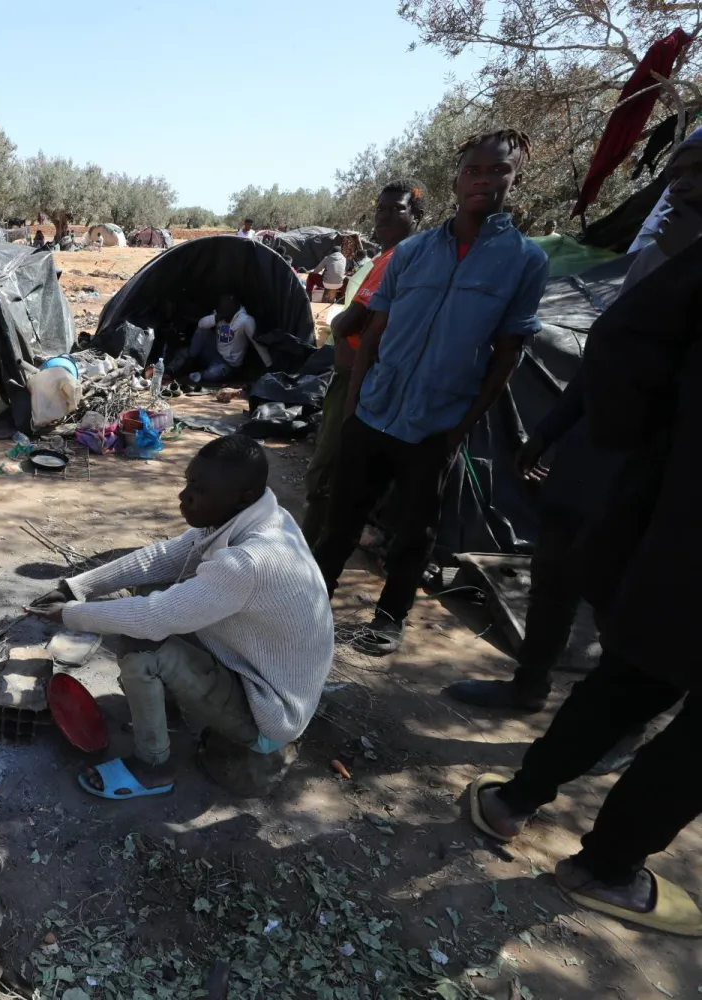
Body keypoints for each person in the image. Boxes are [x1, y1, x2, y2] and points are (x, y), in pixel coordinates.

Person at [465, 229, 702, 938]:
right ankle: (605, 867)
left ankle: (514, 801)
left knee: (631, 677)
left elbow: (626, 339)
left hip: (682, 528)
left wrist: (656, 454)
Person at [447, 126, 702, 712]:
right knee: (554, 573)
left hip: (656, 478)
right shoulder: (651, 260)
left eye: (700, 174)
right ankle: (529, 685)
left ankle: (617, 722)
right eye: (679, 172)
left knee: (625, 600)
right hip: (592, 456)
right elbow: (606, 356)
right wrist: (547, 432)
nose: (684, 187)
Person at [313, 129, 549, 656]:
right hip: (374, 413)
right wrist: (353, 411)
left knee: (415, 534)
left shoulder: (524, 261)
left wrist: (459, 431)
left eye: (498, 170)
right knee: (340, 523)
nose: (484, 179)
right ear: (458, 178)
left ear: (514, 177)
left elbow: (506, 356)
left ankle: (389, 619)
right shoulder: (413, 253)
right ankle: (309, 607)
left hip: (436, 424)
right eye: (474, 170)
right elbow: (373, 333)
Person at [28, 436, 333, 798]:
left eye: (199, 490)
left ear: (242, 494)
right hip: (259, 671)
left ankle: (153, 767)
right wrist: (76, 586)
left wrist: (70, 615)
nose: (184, 496)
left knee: (143, 648)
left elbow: (151, 619)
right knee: (148, 593)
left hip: (271, 713)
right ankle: (168, 712)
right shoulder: (254, 517)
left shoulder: (248, 562)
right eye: (188, 482)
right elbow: (162, 558)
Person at [300, 180, 426, 546]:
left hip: (359, 375)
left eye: (397, 209)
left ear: (417, 215)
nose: (384, 216)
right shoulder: (390, 257)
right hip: (361, 372)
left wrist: (338, 324)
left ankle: (311, 555)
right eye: (381, 208)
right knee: (341, 466)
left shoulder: (396, 259)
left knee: (327, 469)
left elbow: (353, 320)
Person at [183, 293, 257, 384]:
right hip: (216, 354)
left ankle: (199, 374)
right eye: (223, 304)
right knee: (202, 330)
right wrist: (216, 318)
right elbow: (201, 324)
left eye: (228, 304)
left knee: (213, 374)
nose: (225, 307)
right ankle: (191, 358)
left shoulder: (245, 320)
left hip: (229, 364)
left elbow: (256, 342)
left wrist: (268, 364)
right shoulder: (219, 314)